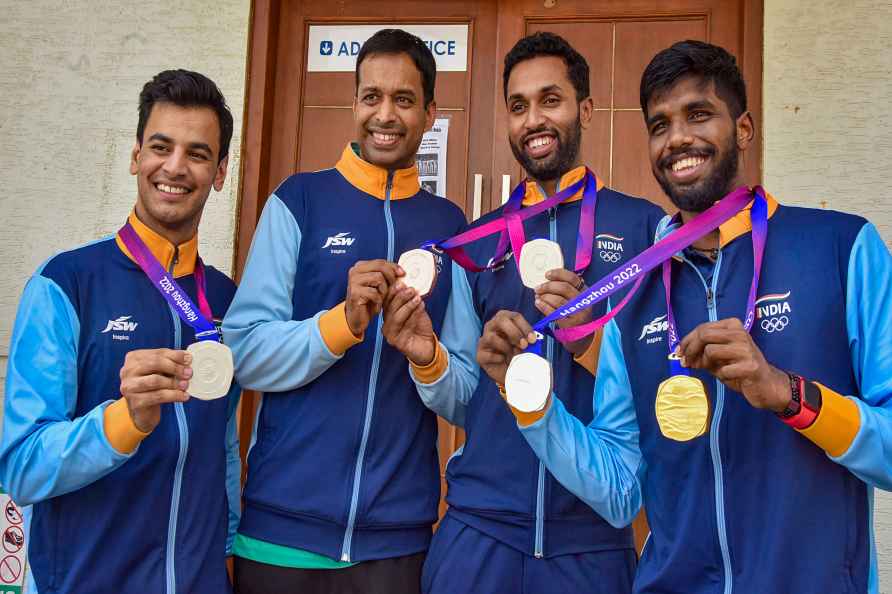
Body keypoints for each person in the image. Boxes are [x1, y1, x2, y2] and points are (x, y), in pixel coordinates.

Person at [509, 40, 892, 594]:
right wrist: (532, 406)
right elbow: (620, 488)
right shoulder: (634, 290)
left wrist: (788, 395)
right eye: (660, 124)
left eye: (698, 114)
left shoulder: (841, 248)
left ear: (742, 129)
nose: (678, 138)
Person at [382, 32, 664, 594]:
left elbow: (663, 383)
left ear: (585, 109)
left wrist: (586, 342)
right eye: (518, 106)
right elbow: (464, 402)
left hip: (592, 541)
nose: (534, 119)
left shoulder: (644, 230)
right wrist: (429, 360)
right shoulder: (478, 242)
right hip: (480, 531)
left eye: (550, 100)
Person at [222, 29, 466, 594]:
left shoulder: (451, 228)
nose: (385, 114)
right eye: (371, 96)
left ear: (429, 113)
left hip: (397, 542)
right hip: (281, 534)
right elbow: (243, 352)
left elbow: (468, 396)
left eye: (404, 99)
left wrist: (428, 359)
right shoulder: (298, 200)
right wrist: (342, 325)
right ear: (354, 103)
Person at [0, 70, 241, 593]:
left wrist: (226, 554)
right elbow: (21, 466)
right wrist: (122, 421)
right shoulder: (66, 283)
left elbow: (222, 443)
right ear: (136, 157)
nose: (175, 167)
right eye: (161, 146)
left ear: (220, 172)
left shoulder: (225, 300)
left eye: (198, 153)